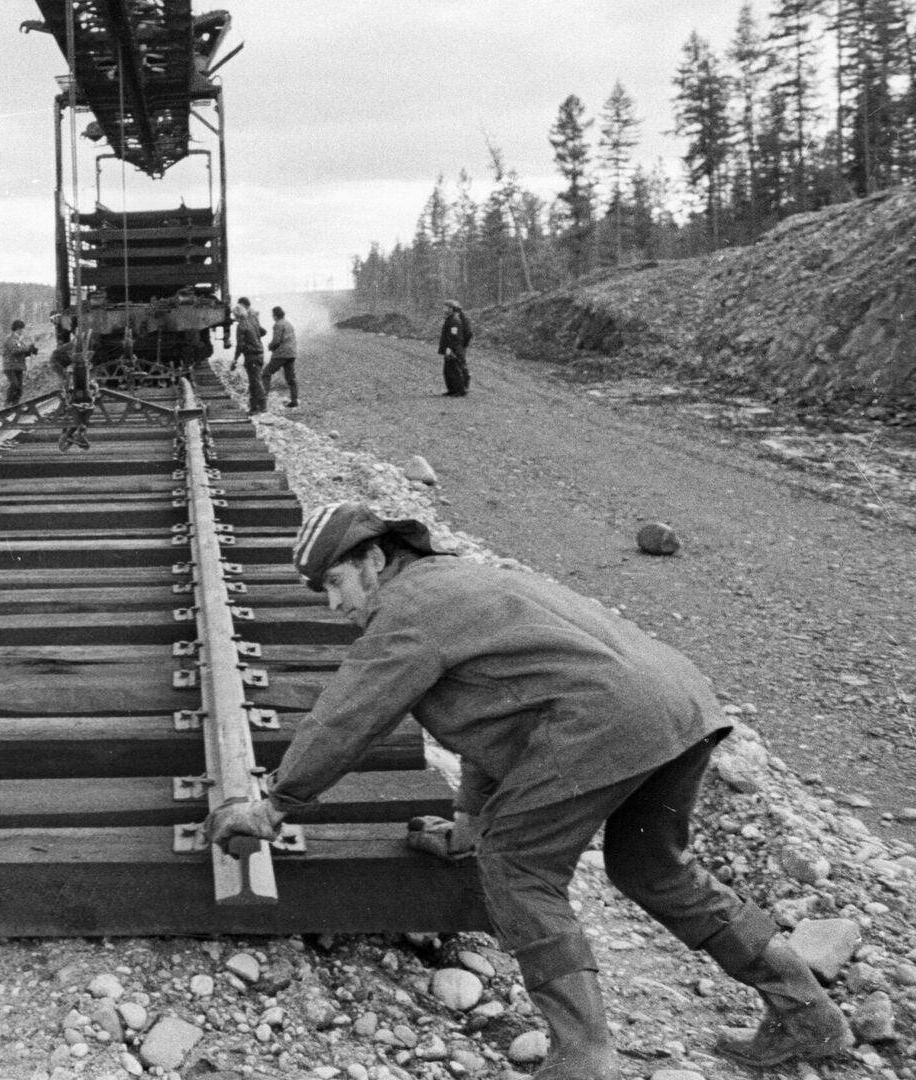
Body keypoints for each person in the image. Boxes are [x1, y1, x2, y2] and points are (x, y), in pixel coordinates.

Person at [205, 502, 852, 1079]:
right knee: (654, 868)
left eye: (337, 583)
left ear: (375, 559)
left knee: (518, 865)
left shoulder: (407, 613)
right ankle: (808, 1015)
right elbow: (506, 721)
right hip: (677, 704)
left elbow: (347, 718)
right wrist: (466, 823)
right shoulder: (462, 581)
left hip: (607, 720)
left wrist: (273, 805)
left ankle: (583, 1060)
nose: (333, 604)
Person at [231, 296, 267, 413]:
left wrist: (235, 360)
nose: (234, 318)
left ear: (237, 315)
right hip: (260, 353)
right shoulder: (253, 320)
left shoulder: (241, 326)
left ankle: (263, 406)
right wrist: (254, 339)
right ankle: (253, 407)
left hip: (252, 356)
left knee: (255, 381)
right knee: (253, 382)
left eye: (234, 315)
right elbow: (263, 332)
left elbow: (239, 345)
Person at [266, 305, 299, 408]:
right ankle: (294, 400)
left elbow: (276, 341)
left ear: (275, 315)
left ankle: (262, 398)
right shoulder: (288, 323)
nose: (272, 317)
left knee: (266, 373)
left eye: (273, 315)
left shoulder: (278, 325)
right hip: (291, 353)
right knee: (291, 378)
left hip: (281, 353)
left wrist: (270, 347)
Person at [439, 299, 473, 397]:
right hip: (452, 349)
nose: (444, 309)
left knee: (456, 370)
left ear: (451, 308)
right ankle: (452, 390)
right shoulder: (451, 319)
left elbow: (454, 337)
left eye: (446, 307)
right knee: (448, 370)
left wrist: (449, 348)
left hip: (454, 350)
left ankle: (460, 391)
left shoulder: (454, 320)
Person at [1, 319, 39, 406]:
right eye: (22, 329)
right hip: (10, 366)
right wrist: (27, 349)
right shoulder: (9, 339)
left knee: (19, 389)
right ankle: (7, 403)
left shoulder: (19, 341)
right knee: (15, 385)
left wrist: (31, 351)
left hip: (18, 367)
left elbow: (22, 353)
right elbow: (14, 351)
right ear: (18, 329)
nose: (23, 331)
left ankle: (15, 404)